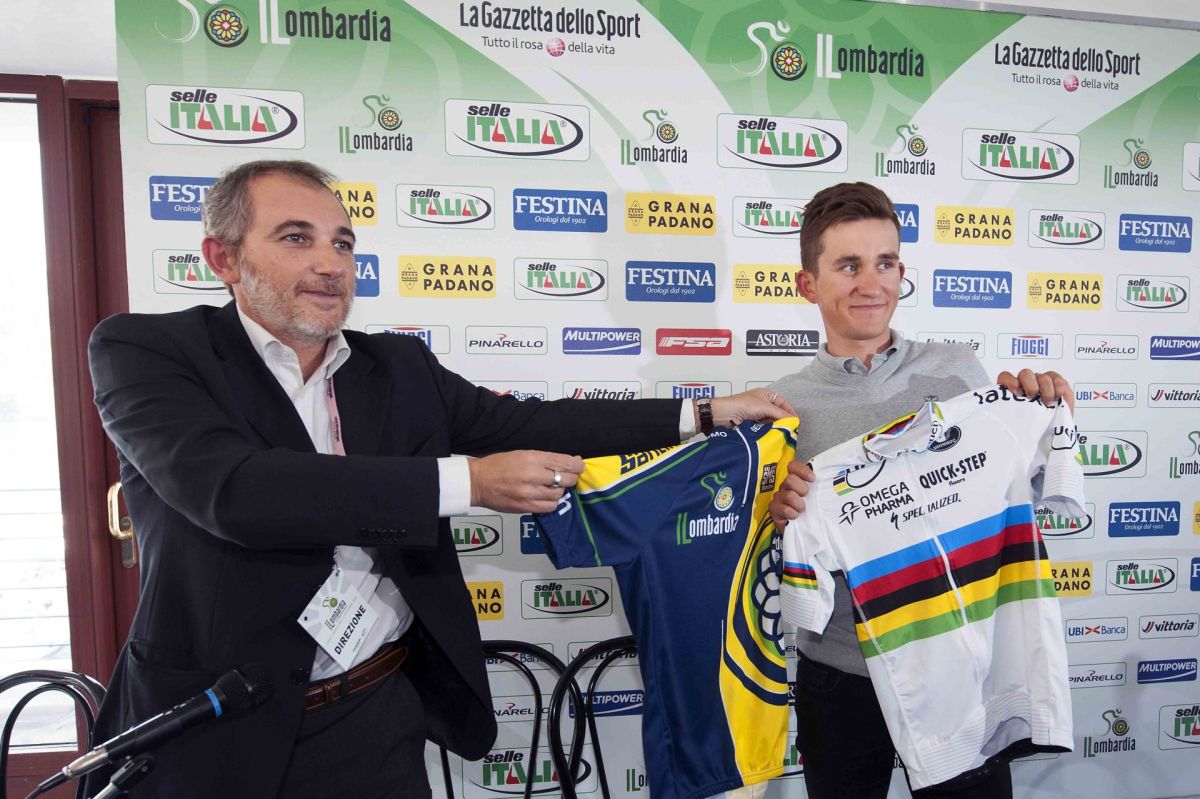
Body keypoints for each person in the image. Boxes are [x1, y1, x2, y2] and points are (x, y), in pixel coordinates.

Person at [85, 159, 791, 799]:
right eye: (296, 238)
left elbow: (533, 422)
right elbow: (238, 492)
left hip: (374, 713)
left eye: (343, 243)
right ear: (224, 257)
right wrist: (469, 484)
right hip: (216, 725)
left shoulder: (396, 367)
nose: (330, 263)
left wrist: (701, 413)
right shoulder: (146, 351)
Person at [765, 182, 1072, 799]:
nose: (870, 283)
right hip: (840, 674)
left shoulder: (961, 373)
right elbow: (766, 554)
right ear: (807, 284)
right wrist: (776, 516)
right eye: (848, 266)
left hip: (962, 665)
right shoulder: (780, 407)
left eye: (885, 263)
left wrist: (1043, 418)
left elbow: (1018, 492)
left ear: (901, 273)